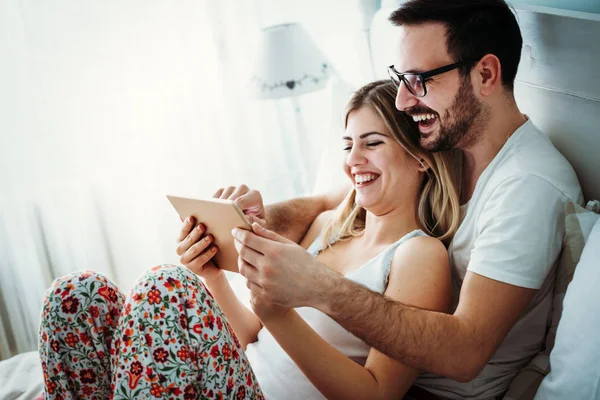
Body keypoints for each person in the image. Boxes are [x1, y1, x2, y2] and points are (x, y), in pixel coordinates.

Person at [226, 0, 583, 399]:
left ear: (485, 74)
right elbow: (331, 201)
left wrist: (319, 288)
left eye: (420, 80)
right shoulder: (447, 143)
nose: (402, 101)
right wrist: (251, 219)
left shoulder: (527, 186)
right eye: (401, 78)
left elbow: (465, 353)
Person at [38, 80, 461, 399]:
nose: (353, 160)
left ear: (420, 156)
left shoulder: (418, 255)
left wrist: (279, 315)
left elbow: (377, 393)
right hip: (233, 374)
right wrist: (212, 276)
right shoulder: (326, 227)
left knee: (162, 287)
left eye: (372, 143)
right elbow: (248, 335)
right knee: (75, 295)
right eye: (348, 145)